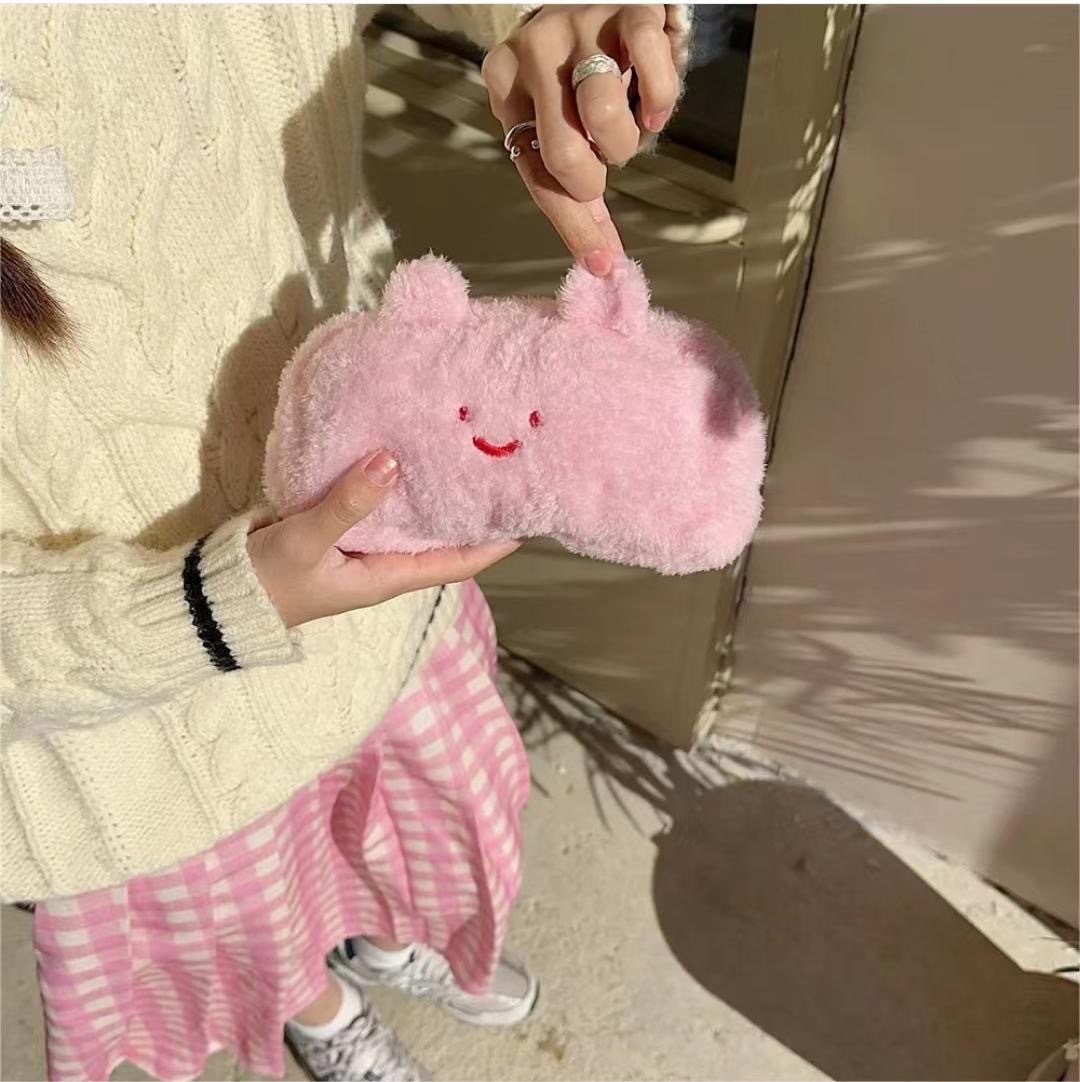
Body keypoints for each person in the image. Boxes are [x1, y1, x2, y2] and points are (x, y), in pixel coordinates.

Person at [0, 5, 690, 1080]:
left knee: (395, 823)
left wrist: (549, 25)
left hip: (380, 566)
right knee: (261, 917)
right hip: (144, 715)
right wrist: (204, 606)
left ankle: (380, 934)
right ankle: (320, 1011)